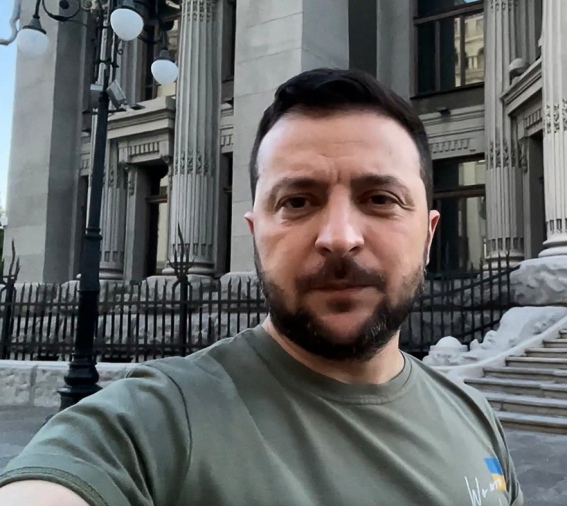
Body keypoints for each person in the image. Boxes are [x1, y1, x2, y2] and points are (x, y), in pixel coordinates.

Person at [0, 68, 524, 506]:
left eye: (380, 199)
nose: (340, 238)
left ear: (429, 235)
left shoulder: (475, 420)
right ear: (256, 234)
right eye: (297, 201)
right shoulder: (156, 422)